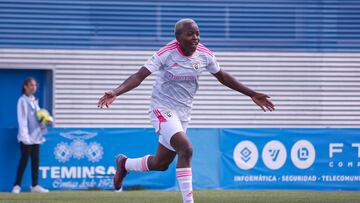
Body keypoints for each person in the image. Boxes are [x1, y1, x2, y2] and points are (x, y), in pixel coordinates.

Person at [97, 18, 275, 203]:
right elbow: (139, 76)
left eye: (197, 33)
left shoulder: (204, 54)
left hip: (183, 114)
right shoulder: (166, 53)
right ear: (178, 37)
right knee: (186, 149)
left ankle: (124, 164)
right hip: (162, 108)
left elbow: (223, 76)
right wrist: (116, 91)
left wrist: (252, 94)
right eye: (190, 34)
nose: (196, 37)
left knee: (161, 163)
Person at [12, 77, 50, 194]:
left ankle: (35, 186)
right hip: (26, 138)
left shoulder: (34, 100)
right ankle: (17, 186)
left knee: (35, 161)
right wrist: (25, 137)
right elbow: (22, 119)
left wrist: (46, 121)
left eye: (35, 85)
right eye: (31, 85)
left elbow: (39, 118)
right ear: (25, 87)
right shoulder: (22, 100)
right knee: (24, 161)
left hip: (36, 137)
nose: (34, 87)